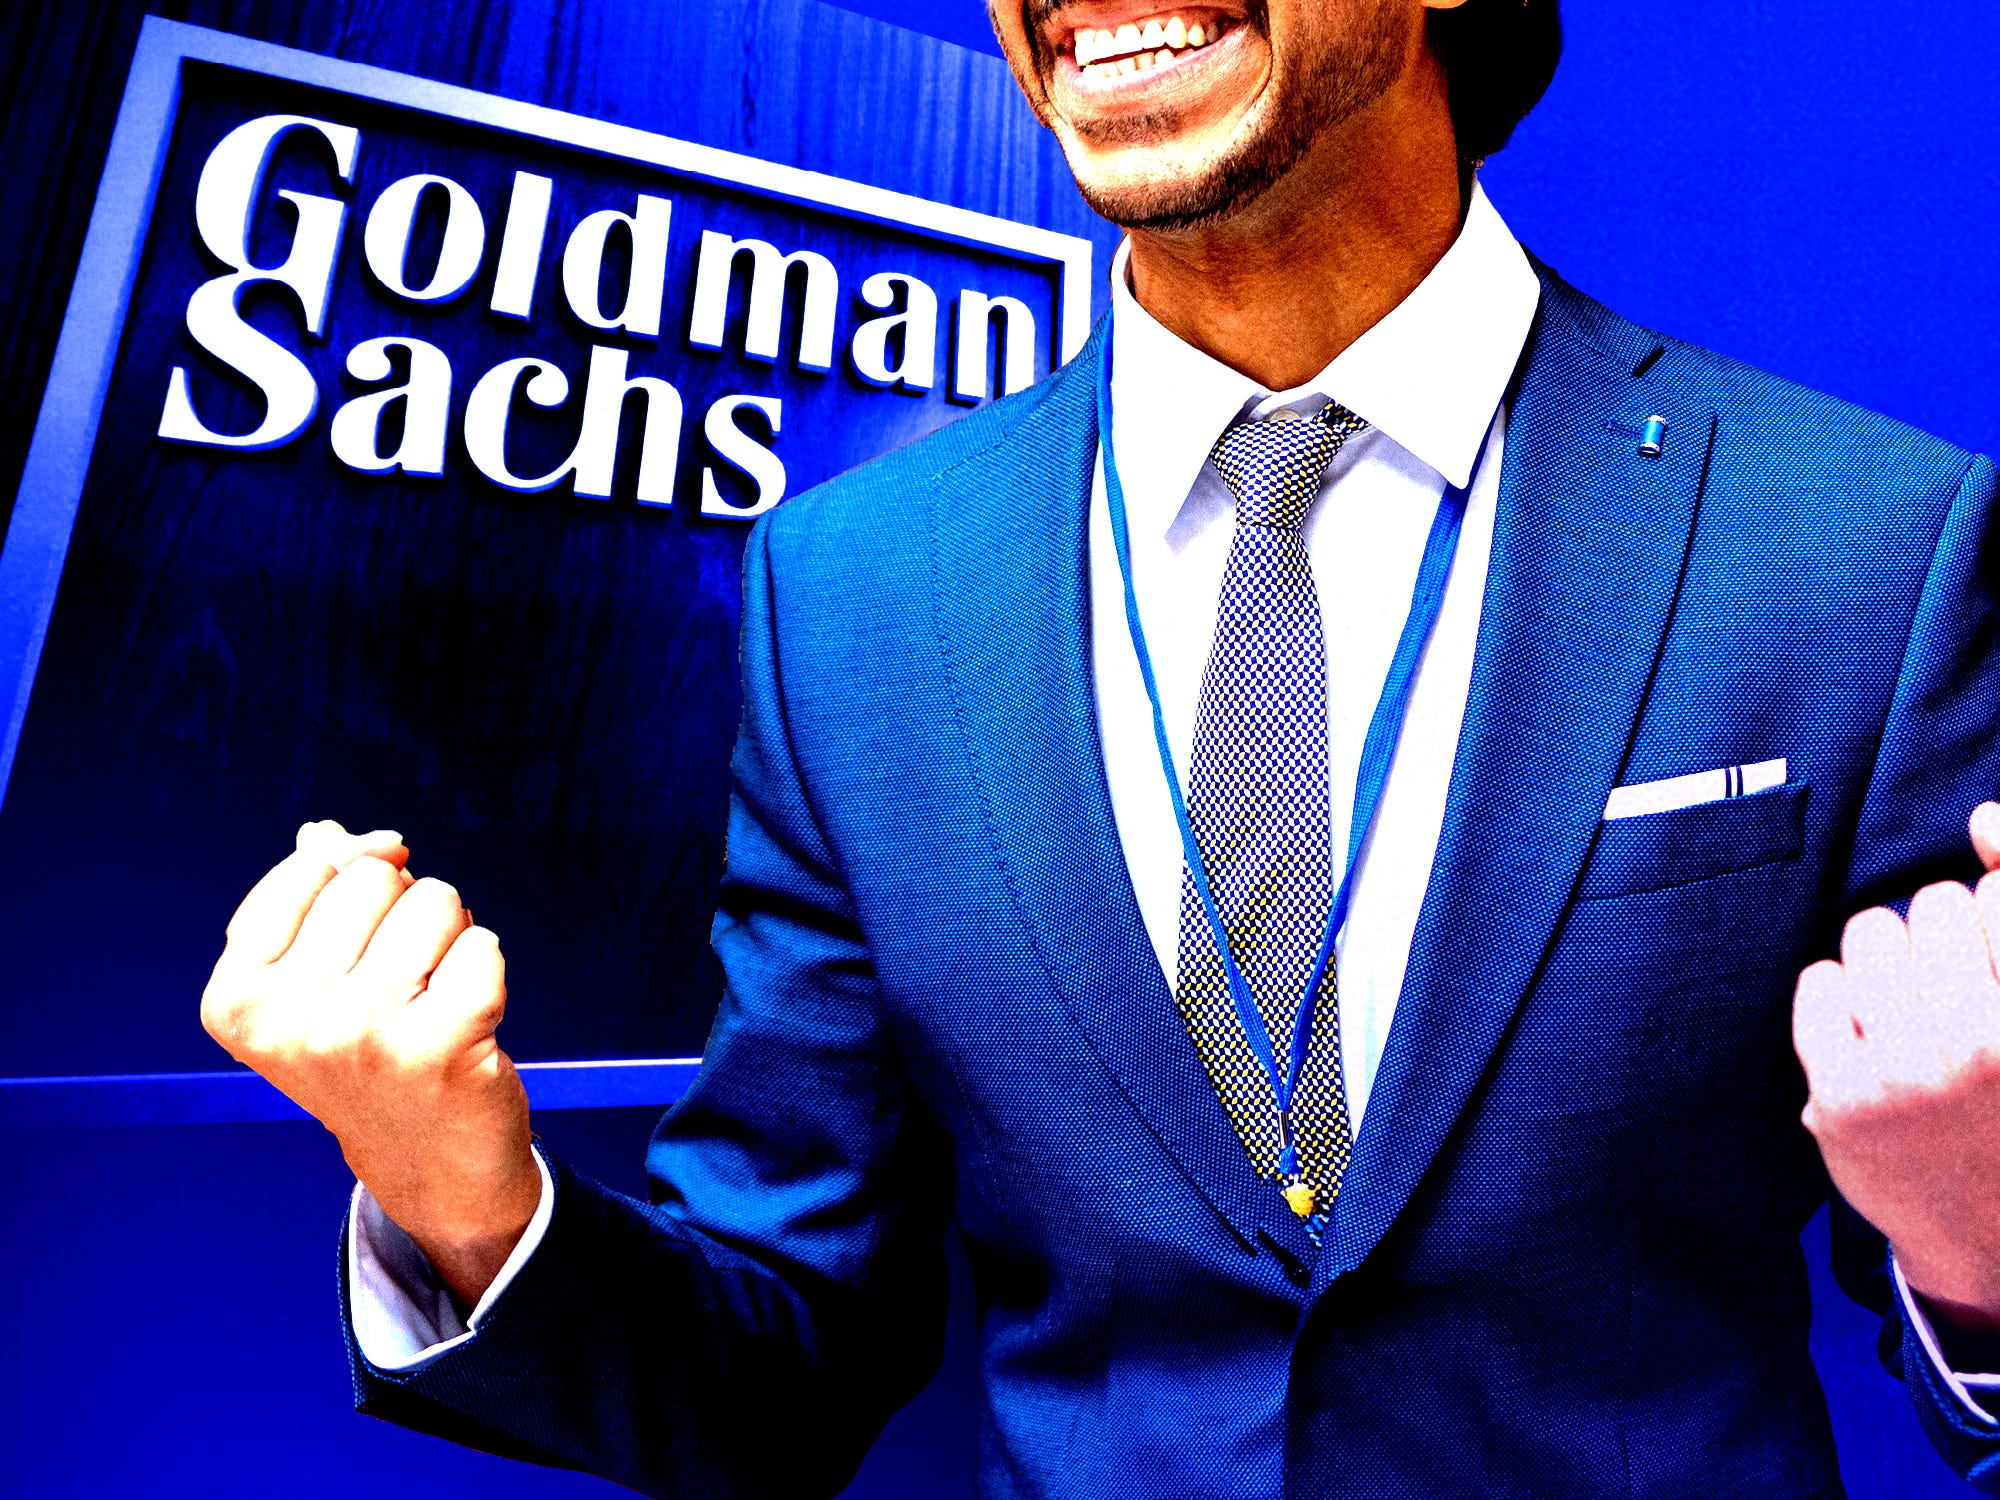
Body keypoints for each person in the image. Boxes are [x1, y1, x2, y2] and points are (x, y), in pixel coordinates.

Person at [199, 0, 2000, 1492]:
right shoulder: (852, 597)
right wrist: (456, 1190)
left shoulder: (1865, 551)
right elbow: (779, 1360)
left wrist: (1984, 1239)